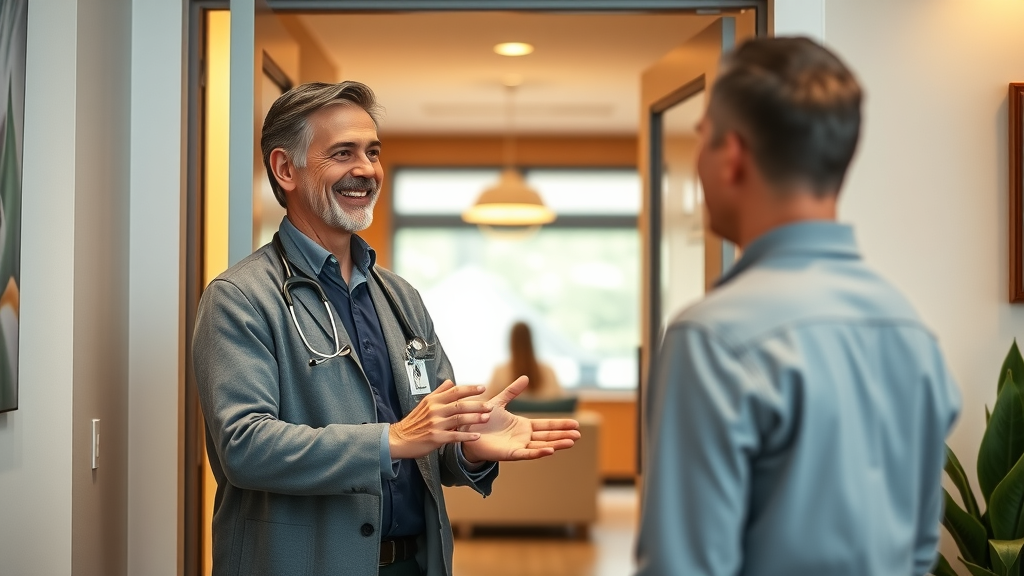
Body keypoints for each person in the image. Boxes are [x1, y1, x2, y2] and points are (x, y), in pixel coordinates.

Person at [192, 81, 580, 576]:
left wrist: (468, 447)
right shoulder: (241, 297)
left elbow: (428, 437)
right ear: (285, 169)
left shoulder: (400, 297)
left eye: (372, 152)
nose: (366, 169)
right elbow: (245, 447)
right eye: (343, 153)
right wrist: (388, 440)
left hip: (415, 563)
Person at [635, 37, 962, 576]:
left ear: (732, 156)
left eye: (702, 139)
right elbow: (919, 553)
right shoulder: (909, 330)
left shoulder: (714, 339)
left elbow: (682, 566)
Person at [486, 322, 564, 400]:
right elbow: (560, 401)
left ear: (511, 342)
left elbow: (489, 401)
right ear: (530, 341)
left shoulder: (500, 372)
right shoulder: (548, 371)